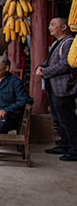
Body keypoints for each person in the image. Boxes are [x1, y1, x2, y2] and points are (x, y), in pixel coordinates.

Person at [36, 17, 77, 161]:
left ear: (64, 27)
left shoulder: (69, 43)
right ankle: (64, 144)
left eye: (53, 25)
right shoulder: (56, 43)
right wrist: (40, 66)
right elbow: (49, 62)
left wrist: (45, 72)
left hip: (63, 88)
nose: (49, 27)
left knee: (68, 119)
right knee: (58, 118)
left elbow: (65, 65)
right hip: (53, 86)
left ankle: (75, 149)